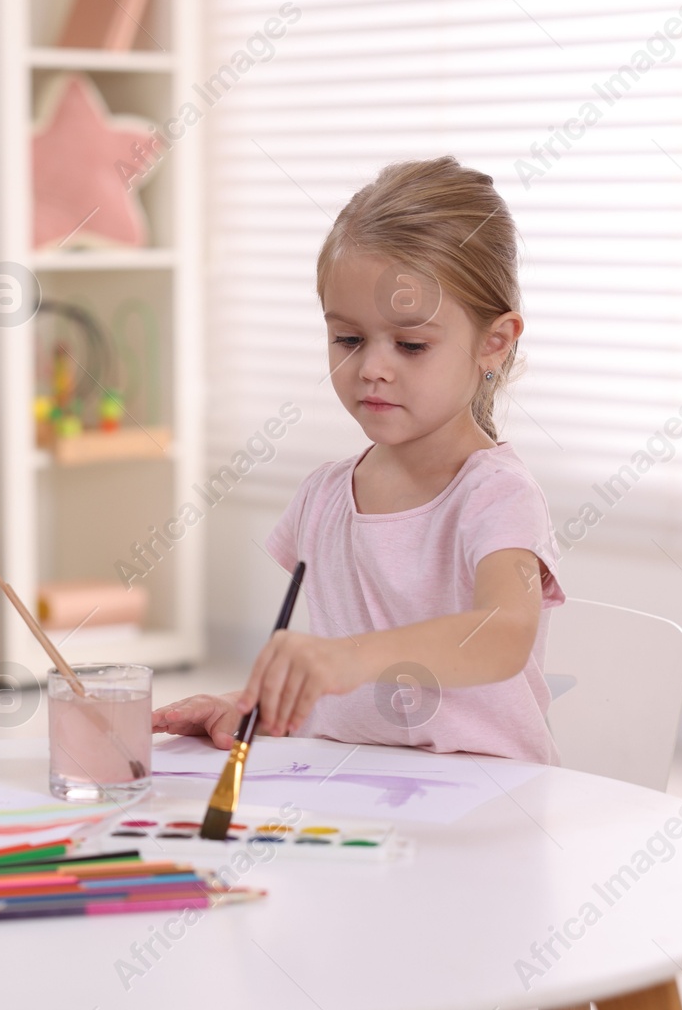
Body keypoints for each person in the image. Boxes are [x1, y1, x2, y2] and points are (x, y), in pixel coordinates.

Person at [154, 155, 565, 767]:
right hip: (362, 795)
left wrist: (347, 657)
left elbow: (502, 636)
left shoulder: (495, 494)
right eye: (348, 339)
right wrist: (254, 706)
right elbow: (356, 704)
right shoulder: (324, 496)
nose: (372, 366)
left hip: (489, 801)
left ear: (494, 343)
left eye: (411, 344)